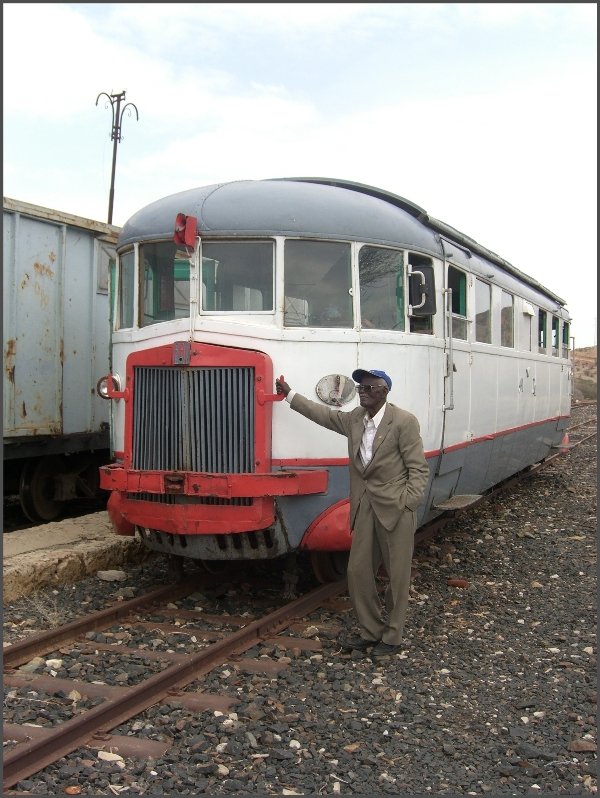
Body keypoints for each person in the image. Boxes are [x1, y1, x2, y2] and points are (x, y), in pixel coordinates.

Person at [275, 369, 429, 657]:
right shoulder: (355, 420)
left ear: (384, 391)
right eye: (360, 386)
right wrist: (290, 395)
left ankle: (392, 637)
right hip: (365, 507)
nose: (362, 391)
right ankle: (370, 631)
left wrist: (408, 502)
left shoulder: (404, 422)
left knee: (397, 576)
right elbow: (323, 415)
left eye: (369, 387)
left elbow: (418, 468)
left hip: (396, 508)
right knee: (357, 571)